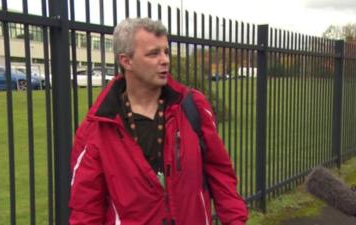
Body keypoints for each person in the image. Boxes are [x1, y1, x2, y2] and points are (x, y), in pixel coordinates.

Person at [69, 18, 248, 225]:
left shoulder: (192, 107)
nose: (165, 60)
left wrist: (235, 221)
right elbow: (85, 209)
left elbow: (220, 173)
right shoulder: (97, 128)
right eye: (154, 53)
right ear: (126, 61)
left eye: (166, 51)